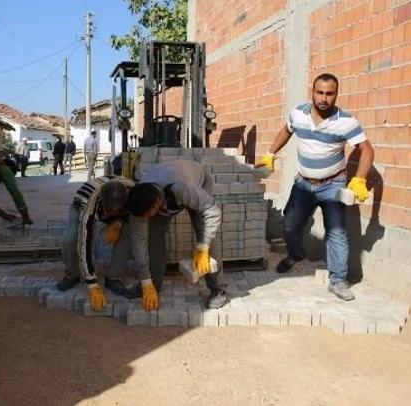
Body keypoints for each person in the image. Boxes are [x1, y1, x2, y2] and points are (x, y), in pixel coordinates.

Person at [256, 73, 375, 301]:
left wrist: (360, 179)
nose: (324, 98)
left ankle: (338, 280)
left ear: (336, 94)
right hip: (303, 183)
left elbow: (367, 149)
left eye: (330, 94)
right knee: (290, 222)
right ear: (312, 91)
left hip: (333, 184)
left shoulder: (346, 121)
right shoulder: (298, 114)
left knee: (337, 232)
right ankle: (295, 254)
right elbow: (286, 130)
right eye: (320, 92)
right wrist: (271, 154)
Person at [107, 160, 228, 311]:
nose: (145, 220)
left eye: (147, 216)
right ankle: (154, 286)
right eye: (142, 218)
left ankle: (218, 290)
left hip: (197, 181)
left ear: (157, 204)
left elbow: (213, 212)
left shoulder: (182, 190)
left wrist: (203, 246)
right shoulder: (139, 201)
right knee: (153, 240)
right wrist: (146, 282)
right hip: (166, 182)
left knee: (206, 234)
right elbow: (140, 245)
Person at [56, 176, 136, 311]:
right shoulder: (89, 206)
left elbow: (132, 214)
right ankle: (72, 275)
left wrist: (118, 222)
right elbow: (84, 243)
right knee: (70, 240)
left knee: (126, 235)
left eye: (112, 212)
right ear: (102, 202)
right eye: (107, 211)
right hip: (80, 205)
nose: (107, 216)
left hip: (119, 204)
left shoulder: (133, 194)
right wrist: (92, 284)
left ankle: (113, 277)